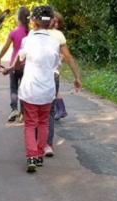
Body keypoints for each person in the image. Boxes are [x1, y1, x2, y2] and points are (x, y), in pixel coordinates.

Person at [2, 5, 80, 173]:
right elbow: (54, 64)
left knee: (30, 124)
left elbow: (18, 61)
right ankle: (39, 156)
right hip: (47, 91)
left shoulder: (27, 40)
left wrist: (10, 68)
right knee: (43, 122)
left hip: (30, 90)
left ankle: (31, 157)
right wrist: (76, 78)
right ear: (51, 21)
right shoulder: (55, 42)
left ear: (33, 22)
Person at [44, 11, 81, 157]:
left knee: (36, 110)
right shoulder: (58, 36)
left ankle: (34, 145)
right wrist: (77, 77)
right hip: (53, 76)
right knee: (50, 111)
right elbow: (69, 56)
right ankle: (48, 144)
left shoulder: (33, 34)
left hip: (35, 77)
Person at [0, 6, 30, 122]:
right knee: (24, 89)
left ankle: (14, 109)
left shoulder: (14, 32)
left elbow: (5, 47)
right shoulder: (31, 33)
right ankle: (23, 113)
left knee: (14, 88)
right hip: (27, 66)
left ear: (18, 18)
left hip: (14, 65)